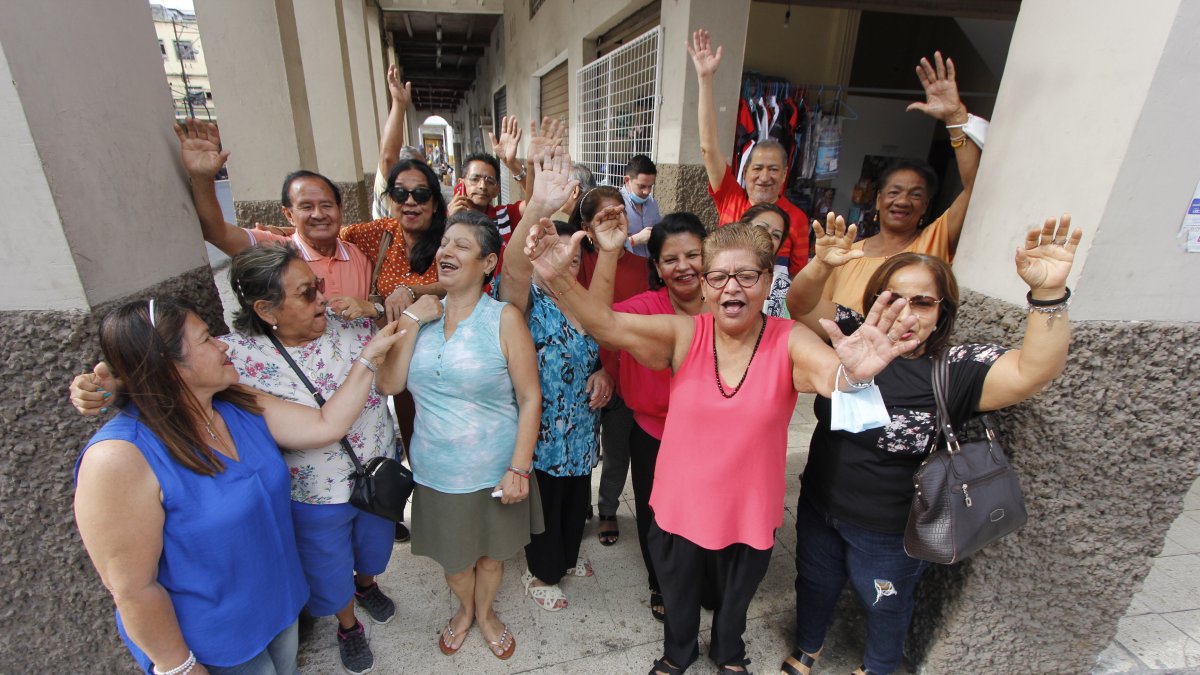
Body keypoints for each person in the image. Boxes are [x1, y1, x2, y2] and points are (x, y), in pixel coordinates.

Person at [524, 215, 921, 674]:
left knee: (735, 595)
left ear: (767, 281)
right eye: (719, 277)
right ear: (706, 286)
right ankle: (678, 653)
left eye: (747, 275)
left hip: (748, 505)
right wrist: (558, 278)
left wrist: (853, 373)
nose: (732, 287)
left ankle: (729, 652)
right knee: (676, 589)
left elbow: (831, 375)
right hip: (681, 502)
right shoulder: (684, 333)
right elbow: (607, 325)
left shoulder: (788, 339)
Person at [72, 245, 408, 675]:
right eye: (205, 339)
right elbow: (131, 588)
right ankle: (346, 623)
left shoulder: (234, 406)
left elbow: (326, 423)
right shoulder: (120, 457)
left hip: (279, 607)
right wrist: (178, 666)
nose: (221, 344)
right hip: (220, 641)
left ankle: (358, 592)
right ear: (169, 366)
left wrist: (374, 329)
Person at [780, 216, 1081, 675]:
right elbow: (799, 303)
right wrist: (821, 264)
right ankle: (808, 647)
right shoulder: (852, 335)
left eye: (922, 302)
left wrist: (1049, 293)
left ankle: (879, 667)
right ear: (873, 301)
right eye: (892, 297)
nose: (906, 313)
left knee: (885, 603)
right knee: (815, 582)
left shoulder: (954, 367)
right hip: (820, 505)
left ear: (943, 310)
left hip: (891, 531)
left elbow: (1032, 371)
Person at [375, 210, 542, 660]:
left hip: (496, 469)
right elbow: (388, 384)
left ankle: (484, 614)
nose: (446, 251)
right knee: (454, 563)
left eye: (461, 245)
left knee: (491, 558)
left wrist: (519, 468)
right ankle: (464, 609)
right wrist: (411, 321)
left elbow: (530, 398)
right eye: (445, 243)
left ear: (488, 263)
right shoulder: (420, 318)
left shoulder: (504, 319)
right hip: (436, 472)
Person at [499, 146, 612, 611]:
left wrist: (604, 372)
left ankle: (565, 558)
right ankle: (541, 573)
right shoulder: (526, 303)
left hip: (581, 431)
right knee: (545, 507)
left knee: (574, 502)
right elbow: (512, 270)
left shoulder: (583, 302)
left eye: (574, 257)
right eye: (554, 253)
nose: (567, 262)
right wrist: (538, 206)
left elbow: (602, 346)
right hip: (542, 434)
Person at [787, 51, 984, 317]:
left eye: (915, 195)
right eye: (894, 192)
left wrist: (955, 118)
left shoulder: (934, 240)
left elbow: (977, 188)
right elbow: (807, 311)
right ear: (878, 200)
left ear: (926, 205)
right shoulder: (846, 254)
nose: (902, 201)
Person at [586, 206, 710, 622]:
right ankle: (661, 581)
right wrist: (609, 252)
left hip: (714, 436)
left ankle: (706, 577)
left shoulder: (727, 305)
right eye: (671, 259)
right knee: (656, 515)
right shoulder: (646, 307)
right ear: (657, 267)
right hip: (654, 435)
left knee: (706, 510)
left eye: (693, 255)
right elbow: (600, 322)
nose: (683, 266)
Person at [176, 120, 374, 305]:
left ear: (340, 209)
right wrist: (202, 178)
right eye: (306, 207)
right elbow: (216, 232)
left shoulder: (361, 254)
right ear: (289, 215)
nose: (318, 214)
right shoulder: (274, 251)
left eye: (326, 205)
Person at [689, 29, 810, 277]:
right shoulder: (731, 197)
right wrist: (705, 80)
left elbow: (798, 278)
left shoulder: (796, 218)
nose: (764, 176)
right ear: (745, 172)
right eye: (758, 168)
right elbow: (708, 148)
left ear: (785, 174)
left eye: (773, 169)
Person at [571, 183, 651, 550]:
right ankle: (576, 507)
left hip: (625, 376)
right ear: (587, 228)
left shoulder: (645, 268)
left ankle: (607, 509)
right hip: (579, 378)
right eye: (604, 217)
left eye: (620, 212)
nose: (615, 220)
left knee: (617, 452)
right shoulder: (575, 264)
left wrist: (613, 373)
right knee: (577, 449)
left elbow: (641, 329)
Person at [740, 203, 792, 318]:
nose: (768, 236)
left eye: (776, 235)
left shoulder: (782, 288)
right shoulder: (715, 269)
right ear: (742, 228)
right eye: (761, 228)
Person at [622, 154, 662, 257]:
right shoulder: (616, 205)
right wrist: (635, 240)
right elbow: (607, 246)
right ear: (627, 180)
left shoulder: (652, 203)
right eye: (642, 186)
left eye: (650, 186)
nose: (647, 192)